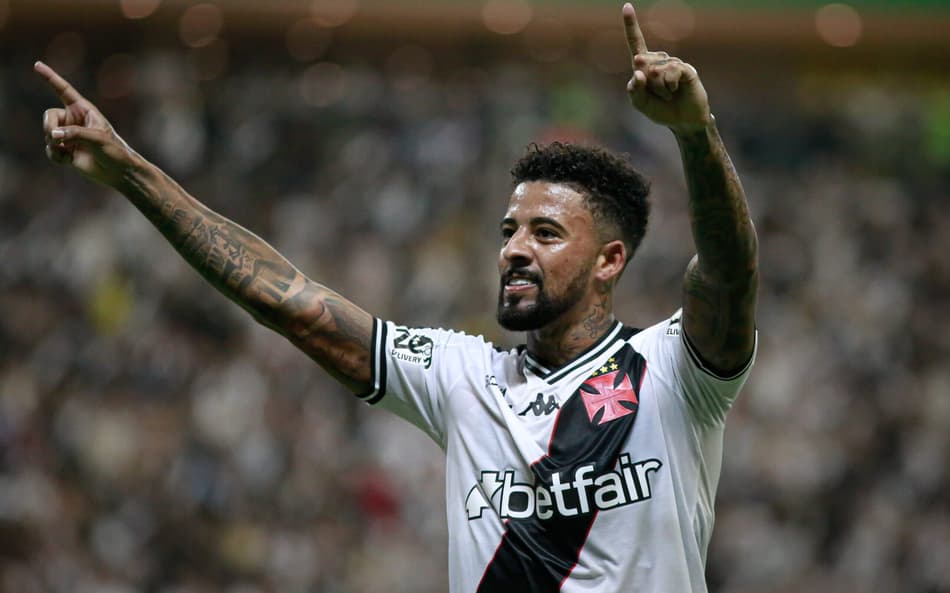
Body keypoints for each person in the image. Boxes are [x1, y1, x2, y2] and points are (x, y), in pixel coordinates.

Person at [36, 2, 757, 592]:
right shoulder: (463, 376)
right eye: (509, 230)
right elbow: (288, 300)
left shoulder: (670, 372)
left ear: (609, 260)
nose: (514, 248)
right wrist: (132, 174)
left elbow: (728, 273)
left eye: (545, 233)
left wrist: (694, 134)